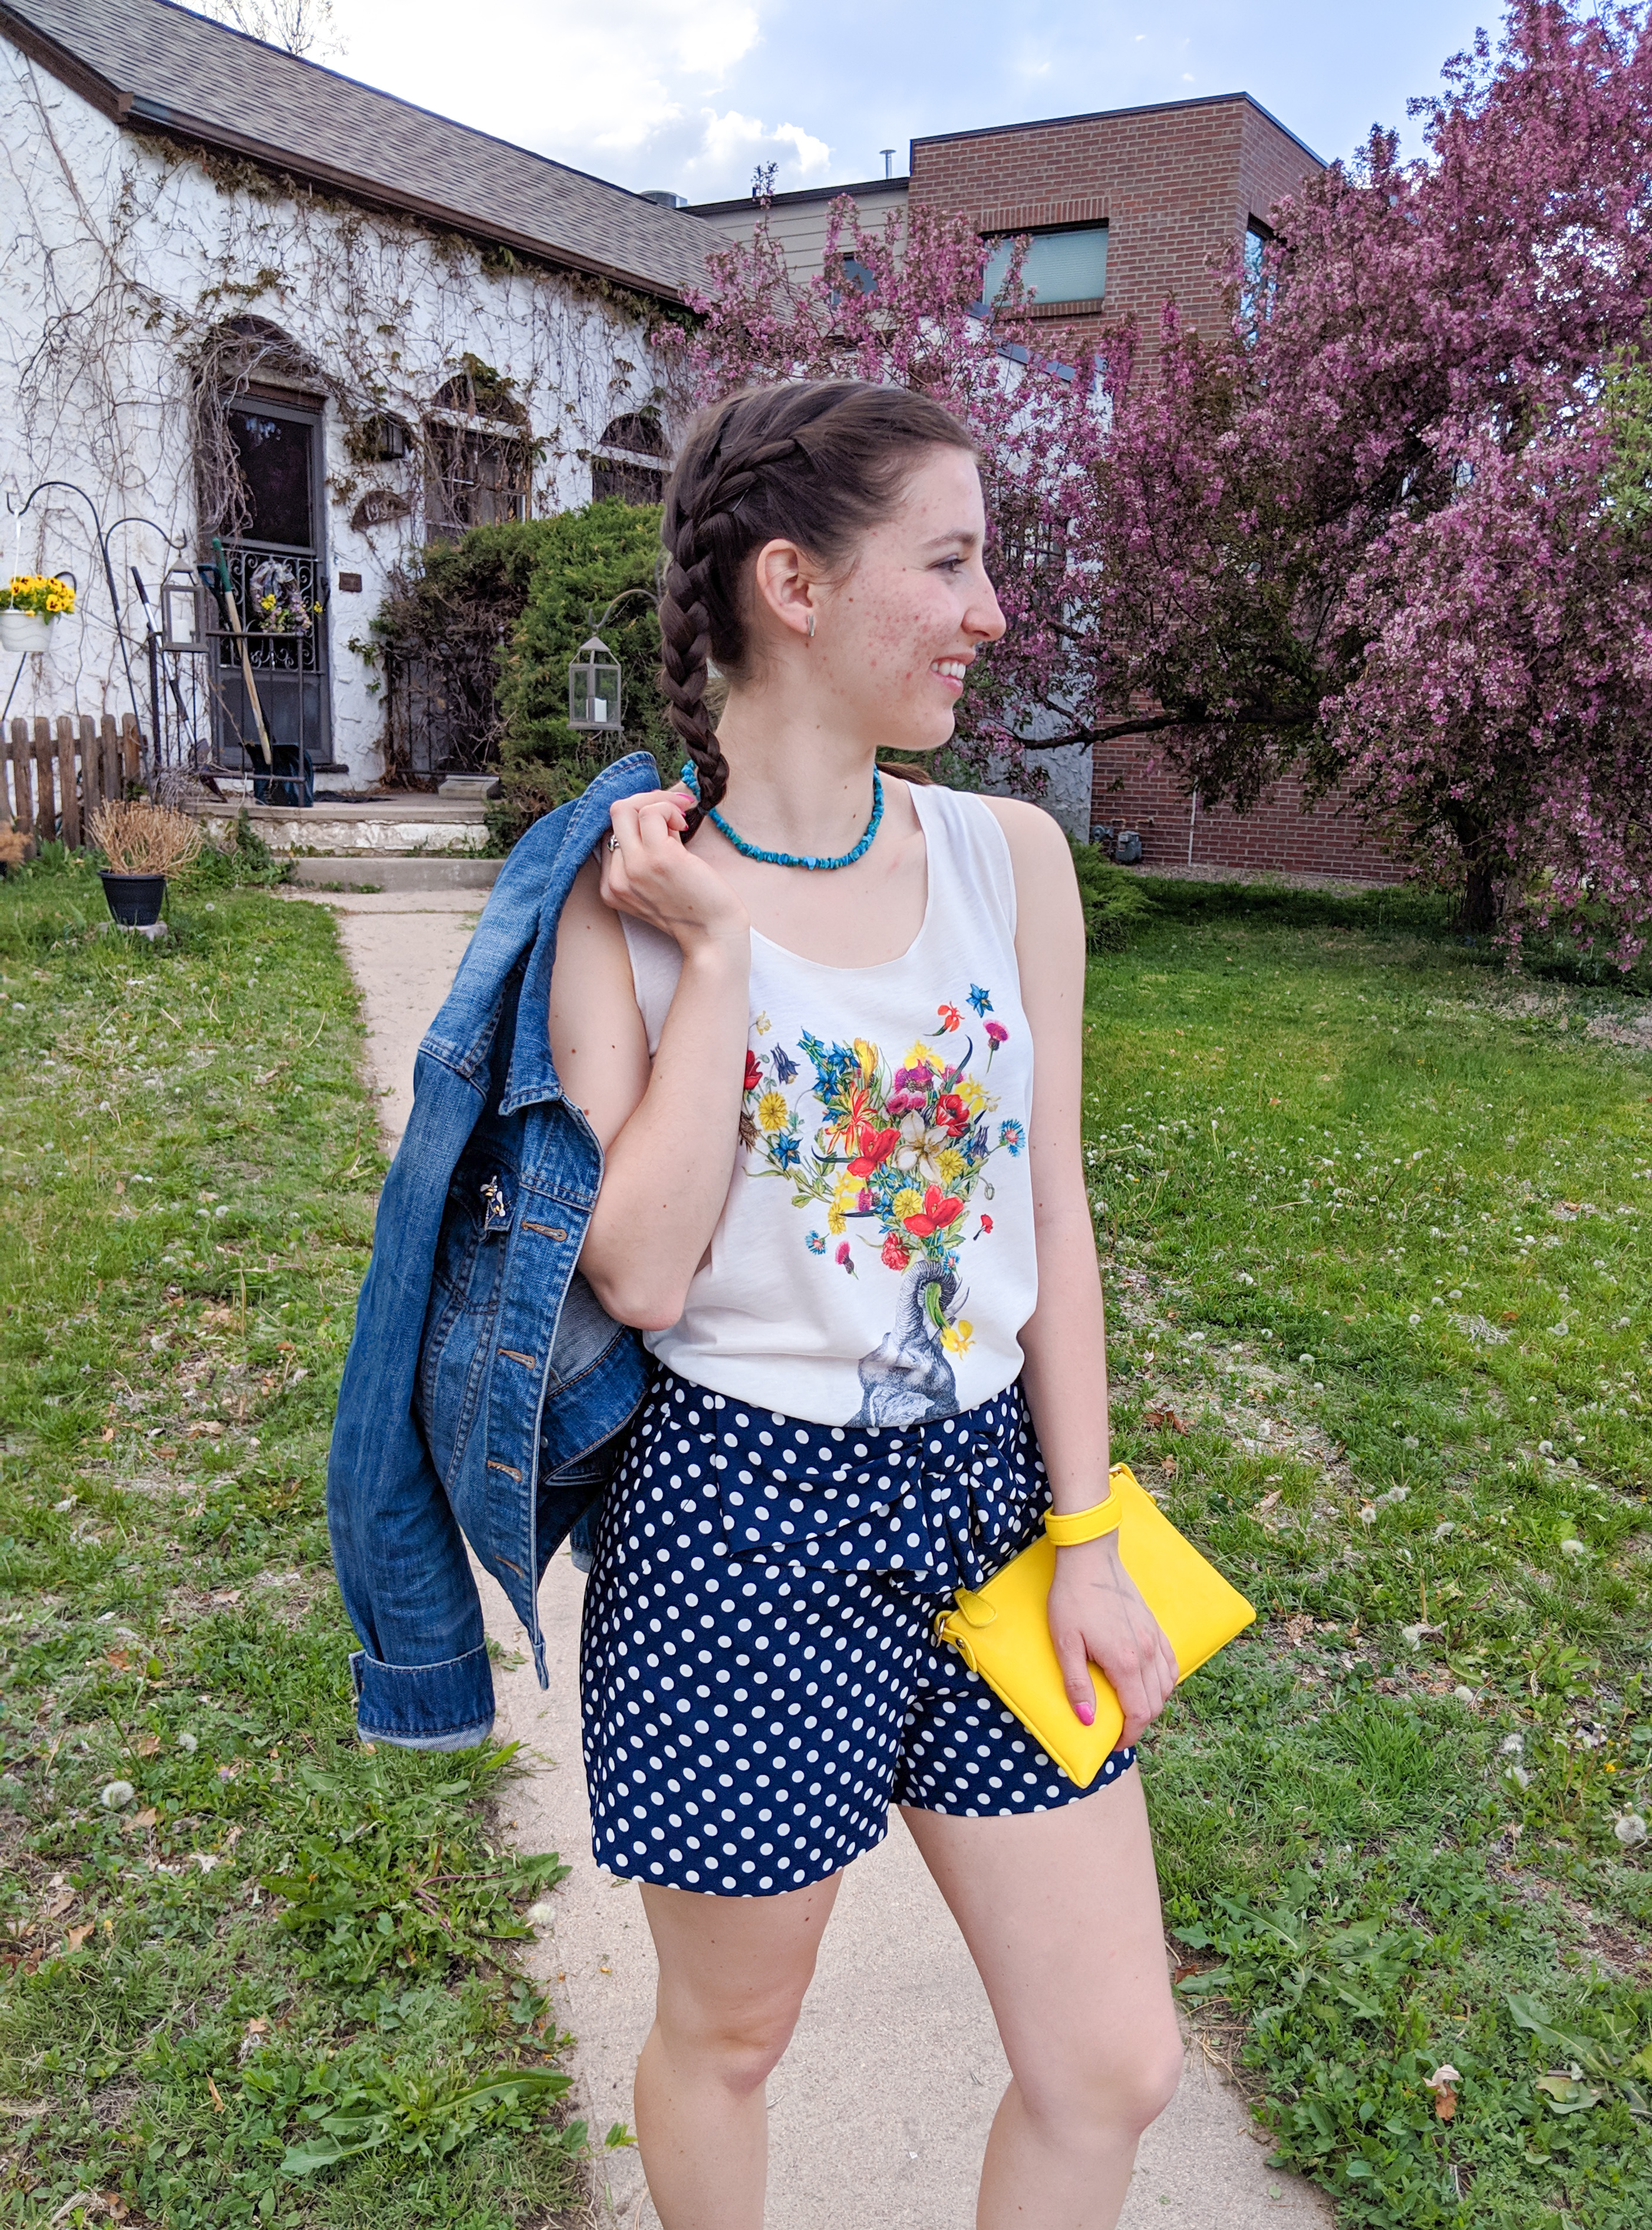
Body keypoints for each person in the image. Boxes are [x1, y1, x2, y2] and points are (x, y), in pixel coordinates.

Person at [548, 379, 1182, 2230]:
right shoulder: (627, 895)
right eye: (954, 562)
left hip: (993, 1504)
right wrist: (722, 953)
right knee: (733, 2040)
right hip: (740, 1527)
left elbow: (1047, 1205)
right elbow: (645, 1269)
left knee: (1113, 2059)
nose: (995, 614)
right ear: (794, 588)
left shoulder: (1013, 861)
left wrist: (1090, 1531)